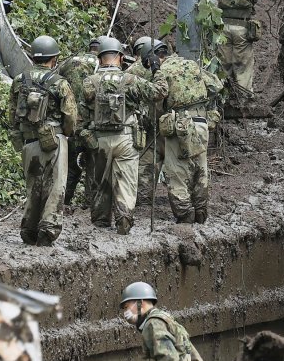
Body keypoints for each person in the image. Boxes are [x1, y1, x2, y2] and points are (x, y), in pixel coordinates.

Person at [80, 37, 164, 234]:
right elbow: (160, 92)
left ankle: (101, 222)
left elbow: (81, 113)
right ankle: (124, 219)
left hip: (99, 140)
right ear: (119, 57)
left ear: (100, 59)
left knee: (101, 182)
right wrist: (156, 70)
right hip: (126, 138)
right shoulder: (130, 80)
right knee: (126, 181)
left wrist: (84, 135)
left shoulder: (89, 83)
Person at [7, 35, 77, 246]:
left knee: (33, 186)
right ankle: (47, 230)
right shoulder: (59, 83)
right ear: (54, 59)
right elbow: (71, 116)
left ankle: (28, 229)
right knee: (55, 187)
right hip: (54, 140)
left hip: (28, 142)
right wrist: (65, 133)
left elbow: (12, 113)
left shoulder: (19, 80)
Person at [151, 43, 223, 224]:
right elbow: (216, 85)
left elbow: (157, 99)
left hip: (177, 126)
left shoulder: (162, 71)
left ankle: (185, 217)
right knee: (200, 169)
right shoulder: (192, 65)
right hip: (200, 123)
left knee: (176, 173)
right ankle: (201, 213)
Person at [216, 0, 272, 98]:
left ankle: (222, 99)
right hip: (242, 28)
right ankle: (244, 100)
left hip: (220, 29)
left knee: (222, 65)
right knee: (243, 67)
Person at [120, 281, 205, 361]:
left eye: (127, 307)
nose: (125, 312)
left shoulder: (154, 324)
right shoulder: (165, 318)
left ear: (140, 303)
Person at [58, 36, 100, 208]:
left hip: (71, 120)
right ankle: (91, 202)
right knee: (94, 164)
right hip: (92, 123)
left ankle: (64, 201)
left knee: (71, 166)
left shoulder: (69, 61)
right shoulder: (102, 65)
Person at [128, 38, 164, 205]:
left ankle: (143, 200)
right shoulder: (170, 65)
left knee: (146, 164)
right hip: (172, 123)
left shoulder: (134, 69)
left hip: (146, 124)